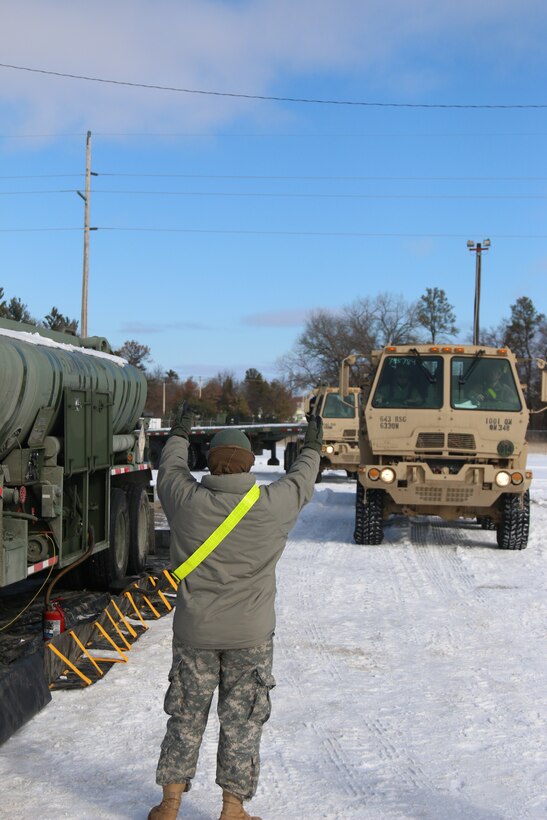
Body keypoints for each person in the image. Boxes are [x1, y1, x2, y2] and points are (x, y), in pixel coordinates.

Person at [149, 406, 322, 820]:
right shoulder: (273, 506)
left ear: (209, 462)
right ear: (250, 464)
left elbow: (169, 465)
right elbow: (302, 476)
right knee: (243, 722)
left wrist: (179, 432)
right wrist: (314, 444)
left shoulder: (185, 501)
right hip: (251, 635)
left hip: (195, 633)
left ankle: (170, 805)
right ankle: (232, 809)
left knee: (185, 717)